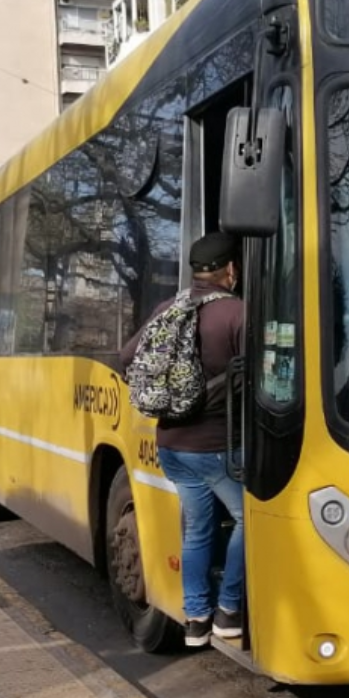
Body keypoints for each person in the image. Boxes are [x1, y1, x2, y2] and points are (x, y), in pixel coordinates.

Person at [121, 232, 246, 648]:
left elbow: (126, 359)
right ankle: (229, 610)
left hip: (172, 446)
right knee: (251, 518)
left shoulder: (168, 309)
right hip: (218, 449)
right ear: (231, 270)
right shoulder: (236, 314)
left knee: (197, 530)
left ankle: (195, 619)